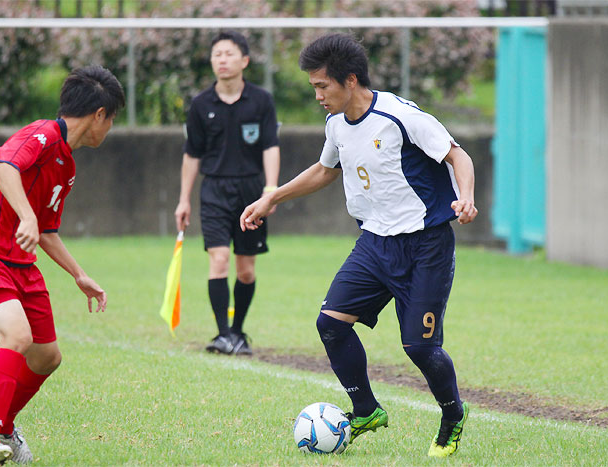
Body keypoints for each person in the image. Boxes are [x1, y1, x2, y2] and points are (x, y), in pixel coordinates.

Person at [241, 33, 477, 457]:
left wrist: (467, 197)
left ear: (350, 80)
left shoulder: (400, 116)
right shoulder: (336, 124)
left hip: (426, 245)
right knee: (330, 323)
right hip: (374, 243)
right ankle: (366, 409)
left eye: (321, 86)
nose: (317, 95)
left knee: (420, 347)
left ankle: (452, 414)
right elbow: (325, 170)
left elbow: (458, 156)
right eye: (314, 87)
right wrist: (271, 196)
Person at [0, 65, 125, 466]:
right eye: (111, 119)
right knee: (17, 336)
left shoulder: (66, 166)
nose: (109, 128)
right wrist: (25, 217)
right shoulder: (41, 134)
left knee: (47, 357)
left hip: (21, 264)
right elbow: (4, 166)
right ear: (99, 114)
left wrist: (78, 274)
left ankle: (5, 427)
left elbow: (46, 229)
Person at [175, 30, 280, 356]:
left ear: (244, 60)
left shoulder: (261, 101)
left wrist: (271, 191)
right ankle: (222, 335)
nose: (222, 59)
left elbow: (270, 147)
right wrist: (184, 199)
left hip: (251, 190)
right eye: (217, 54)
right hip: (215, 191)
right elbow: (192, 155)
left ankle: (237, 332)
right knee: (218, 260)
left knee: (246, 269)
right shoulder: (201, 104)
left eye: (228, 53)